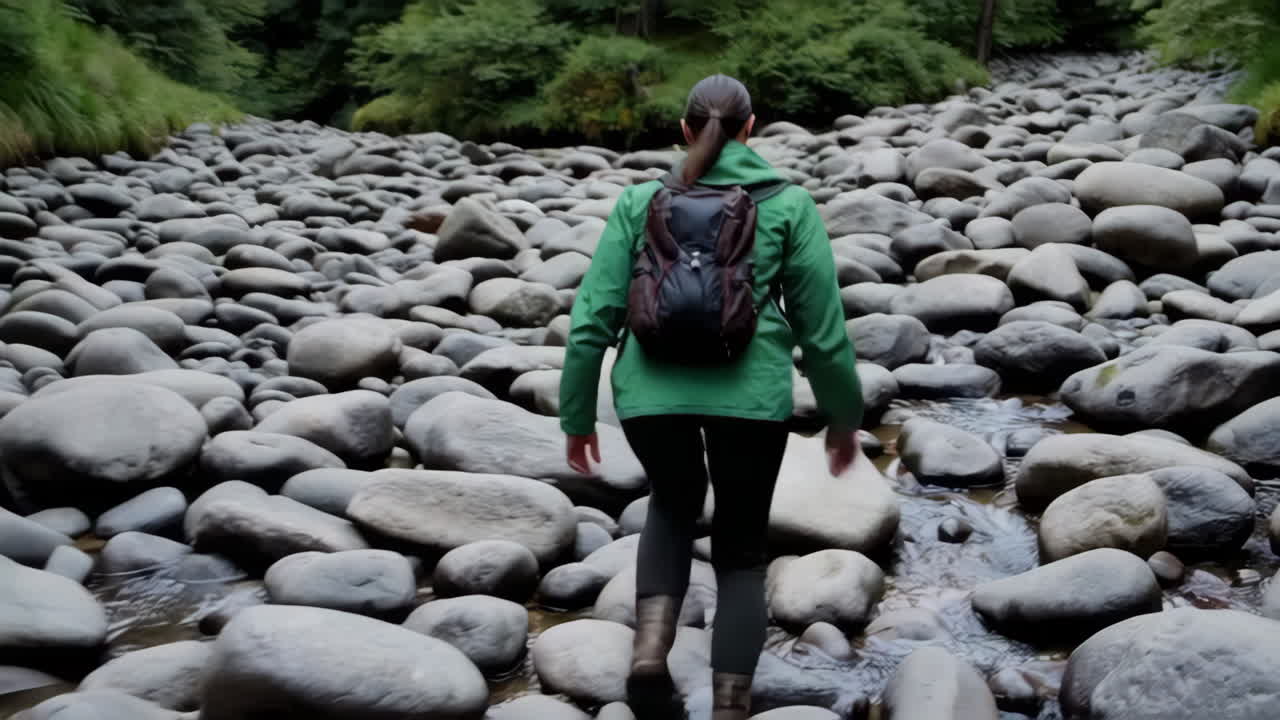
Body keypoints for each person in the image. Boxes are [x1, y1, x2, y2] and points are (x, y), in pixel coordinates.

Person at [559, 74, 864, 720]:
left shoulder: (641, 200)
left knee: (670, 505)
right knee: (742, 552)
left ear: (684, 131)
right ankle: (730, 706)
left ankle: (648, 654)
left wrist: (577, 414)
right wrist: (843, 420)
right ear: (750, 129)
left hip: (649, 395)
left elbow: (593, 318)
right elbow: (824, 334)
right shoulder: (788, 204)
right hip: (750, 401)